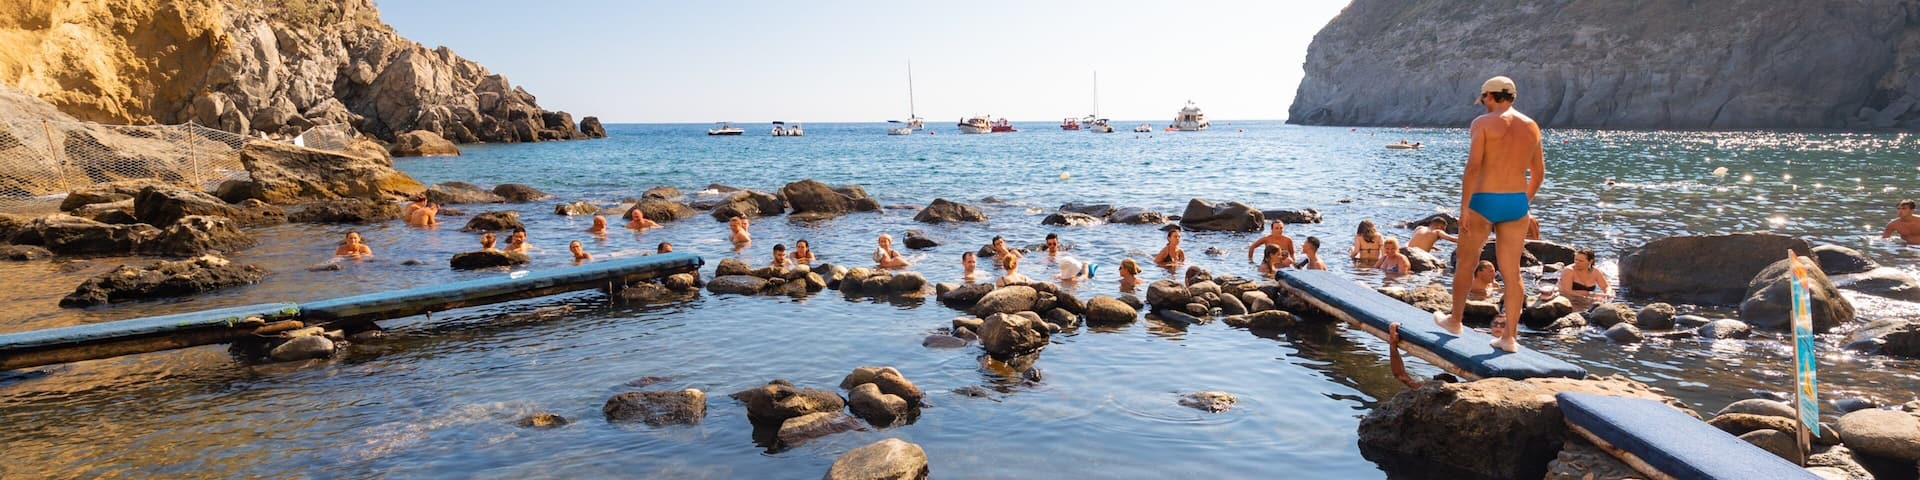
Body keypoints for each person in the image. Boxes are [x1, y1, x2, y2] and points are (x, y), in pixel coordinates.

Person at [1440, 75, 1547, 354]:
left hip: (1483, 201)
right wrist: (1525, 201)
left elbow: (1473, 167)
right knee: (1512, 274)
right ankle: (1510, 338)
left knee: (1466, 262)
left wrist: (1464, 207)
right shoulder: (1531, 126)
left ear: (1490, 96)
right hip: (1515, 203)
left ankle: (1454, 320)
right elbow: (1538, 173)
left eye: (1484, 98)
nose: (1483, 103)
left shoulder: (1482, 123)